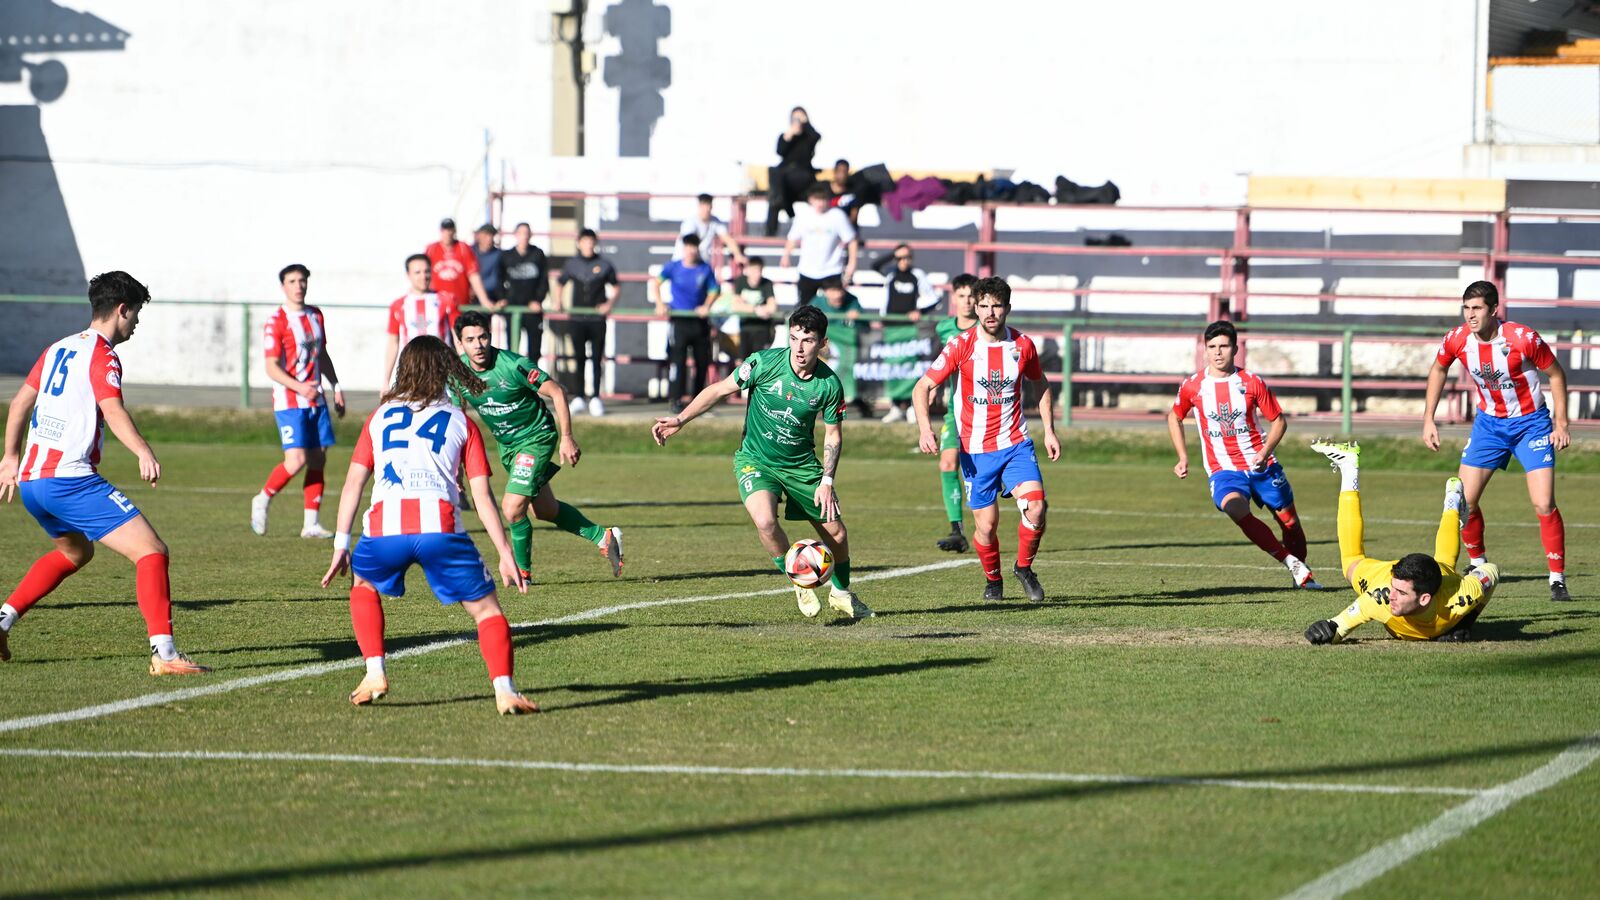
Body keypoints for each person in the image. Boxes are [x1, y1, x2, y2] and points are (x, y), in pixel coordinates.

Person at [0, 271, 208, 673]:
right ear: (121, 309)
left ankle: (3, 619)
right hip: (69, 480)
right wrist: (143, 451)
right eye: (135, 315)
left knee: (75, 551)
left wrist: (10, 457)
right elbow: (112, 409)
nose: (135, 324)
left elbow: (20, 403)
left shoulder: (57, 348)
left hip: (32, 482)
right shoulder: (103, 354)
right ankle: (165, 655)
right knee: (151, 551)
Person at [320, 335, 537, 714]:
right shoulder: (461, 421)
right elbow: (483, 497)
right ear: (446, 371)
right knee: (487, 612)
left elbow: (354, 483)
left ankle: (374, 672)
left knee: (363, 584)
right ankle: (504, 690)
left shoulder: (379, 417)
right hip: (440, 527)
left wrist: (341, 543)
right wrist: (505, 553)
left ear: (405, 369)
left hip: (384, 528)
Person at [651, 305, 872, 619]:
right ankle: (798, 579)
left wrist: (827, 482)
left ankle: (841, 593)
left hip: (801, 466)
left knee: (836, 533)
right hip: (756, 460)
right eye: (793, 338)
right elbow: (719, 389)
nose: (798, 347)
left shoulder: (829, 385)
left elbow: (833, 436)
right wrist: (681, 419)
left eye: (807, 340)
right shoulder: (764, 363)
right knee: (766, 522)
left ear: (822, 343)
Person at [912, 277, 1061, 602]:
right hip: (975, 450)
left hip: (1016, 443)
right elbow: (922, 386)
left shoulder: (1023, 345)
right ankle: (993, 580)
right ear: (975, 308)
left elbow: (1041, 383)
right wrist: (925, 428)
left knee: (1035, 508)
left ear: (1007, 308)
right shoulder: (960, 345)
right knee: (986, 527)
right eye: (984, 306)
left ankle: (1024, 567)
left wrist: (1049, 430)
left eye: (997, 305)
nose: (990, 312)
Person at [1422, 281, 1572, 601]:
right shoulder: (1458, 339)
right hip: (1489, 426)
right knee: (1464, 501)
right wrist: (1428, 419)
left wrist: (1561, 423)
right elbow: (1438, 369)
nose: (1470, 315)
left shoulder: (1522, 338)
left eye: (1477, 308)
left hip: (1531, 425)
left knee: (1543, 503)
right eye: (1466, 308)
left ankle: (1557, 578)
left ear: (1493, 310)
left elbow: (1556, 375)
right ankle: (1478, 564)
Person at [452, 310, 623, 582]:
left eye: (483, 337)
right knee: (544, 510)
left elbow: (556, 391)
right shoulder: (458, 372)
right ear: (459, 342)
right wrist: (456, 469)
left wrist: (566, 437)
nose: (478, 344)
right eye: (470, 339)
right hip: (508, 447)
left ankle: (522, 573)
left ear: (490, 335)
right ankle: (603, 536)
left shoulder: (513, 364)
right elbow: (456, 420)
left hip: (537, 438)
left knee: (512, 507)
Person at [1166, 320, 1319, 590]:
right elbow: (1174, 416)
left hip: (1262, 465)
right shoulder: (1193, 386)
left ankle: (1303, 575)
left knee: (1290, 523)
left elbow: (1279, 421)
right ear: (1205, 349)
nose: (1217, 352)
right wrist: (1183, 457)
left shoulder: (1250, 382)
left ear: (1235, 348)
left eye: (1224, 346)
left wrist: (1265, 451)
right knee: (1234, 508)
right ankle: (1291, 563)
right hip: (1223, 469)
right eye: (1212, 346)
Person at [1303, 439, 1500, 644]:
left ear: (1424, 599)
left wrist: (1466, 621)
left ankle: (1452, 501)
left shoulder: (1460, 598)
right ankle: (1349, 469)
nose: (1391, 596)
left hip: (1437, 577)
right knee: (1351, 563)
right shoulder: (1380, 595)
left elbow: (1491, 571)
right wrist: (1326, 630)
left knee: (1445, 564)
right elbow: (1338, 626)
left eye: (1400, 592)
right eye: (1394, 588)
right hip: (1384, 574)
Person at [251, 264, 346, 539]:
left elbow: (322, 355)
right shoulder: (276, 321)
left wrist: (336, 386)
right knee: (296, 460)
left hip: (316, 401)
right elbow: (271, 367)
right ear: (283, 286)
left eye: (302, 280)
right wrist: (299, 387)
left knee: (318, 459)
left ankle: (311, 524)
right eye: (292, 281)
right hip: (290, 401)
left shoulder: (316, 315)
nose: (298, 285)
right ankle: (263, 499)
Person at [931, 274, 979, 552]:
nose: (967, 301)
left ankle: (1029, 497)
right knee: (948, 464)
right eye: (961, 296)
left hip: (986, 411)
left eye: (972, 296)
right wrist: (934, 383)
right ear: (954, 298)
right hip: (956, 412)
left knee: (987, 473)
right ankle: (957, 530)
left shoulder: (985, 328)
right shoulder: (943, 328)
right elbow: (938, 360)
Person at [553, 228, 618, 417]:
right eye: (585, 241)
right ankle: (579, 397)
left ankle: (596, 397)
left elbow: (616, 286)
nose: (588, 245)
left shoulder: (604, 264)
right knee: (579, 358)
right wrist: (559, 302)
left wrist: (609, 304)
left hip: (597, 320)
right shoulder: (572, 264)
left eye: (591, 241)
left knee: (597, 358)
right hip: (577, 319)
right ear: (579, 243)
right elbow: (560, 283)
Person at [652, 233, 720, 414]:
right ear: (683, 248)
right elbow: (655, 283)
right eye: (688, 246)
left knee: (702, 362)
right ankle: (676, 400)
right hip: (679, 321)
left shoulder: (705, 269)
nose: (691, 250)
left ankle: (699, 402)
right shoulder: (673, 267)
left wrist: (706, 306)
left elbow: (714, 290)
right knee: (678, 362)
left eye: (694, 247)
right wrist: (660, 303)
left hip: (699, 322)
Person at [877, 243, 943, 424]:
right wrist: (893, 254)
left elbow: (936, 299)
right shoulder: (890, 273)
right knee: (892, 367)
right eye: (899, 258)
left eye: (906, 257)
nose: (903, 261)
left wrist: (920, 311)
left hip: (908, 329)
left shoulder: (917, 275)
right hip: (891, 327)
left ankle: (913, 406)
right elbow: (874, 265)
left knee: (910, 366)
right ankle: (896, 406)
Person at [382, 253, 459, 385]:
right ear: (408, 275)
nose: (423, 276)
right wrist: (386, 381)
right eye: (417, 272)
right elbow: (392, 343)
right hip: (411, 372)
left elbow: (458, 339)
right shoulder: (399, 305)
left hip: (442, 372)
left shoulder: (445, 300)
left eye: (427, 271)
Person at [780, 184, 858, 307]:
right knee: (805, 308)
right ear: (810, 200)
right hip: (807, 270)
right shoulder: (804, 216)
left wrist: (852, 263)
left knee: (835, 305)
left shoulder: (837, 216)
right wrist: (786, 255)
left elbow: (851, 239)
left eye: (823, 199)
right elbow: (793, 238)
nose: (820, 203)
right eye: (817, 199)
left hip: (831, 270)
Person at [765, 106, 821, 236]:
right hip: (785, 180)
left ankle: (786, 206)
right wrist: (789, 135)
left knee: (776, 190)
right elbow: (780, 151)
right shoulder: (786, 136)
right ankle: (770, 231)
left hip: (803, 176)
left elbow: (816, 137)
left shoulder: (808, 137)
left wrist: (806, 124)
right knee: (775, 188)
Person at [819, 277, 870, 419]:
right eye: (833, 291)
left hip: (850, 352)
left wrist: (858, 319)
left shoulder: (852, 301)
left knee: (853, 379)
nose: (838, 295)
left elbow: (866, 327)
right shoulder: (817, 303)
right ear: (826, 292)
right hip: (825, 354)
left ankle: (861, 405)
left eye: (840, 290)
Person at [504, 222, 550, 362]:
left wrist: (538, 300)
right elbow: (499, 278)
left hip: (533, 309)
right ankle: (513, 381)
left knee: (534, 351)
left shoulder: (538, 254)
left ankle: (533, 383)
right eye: (521, 233)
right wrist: (503, 298)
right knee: (512, 350)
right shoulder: (507, 256)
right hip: (513, 307)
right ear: (515, 235)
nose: (524, 237)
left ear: (530, 235)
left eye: (526, 233)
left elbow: (544, 280)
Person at [425, 218, 493, 311]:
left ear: (454, 231)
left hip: (460, 305)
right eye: (444, 230)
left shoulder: (463, 248)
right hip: (437, 305)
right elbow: (424, 275)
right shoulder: (432, 249)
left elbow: (473, 275)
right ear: (440, 231)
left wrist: (484, 300)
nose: (448, 233)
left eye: (450, 230)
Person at [673, 193, 747, 267]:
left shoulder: (715, 221)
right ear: (699, 206)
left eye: (709, 206)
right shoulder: (690, 223)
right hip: (684, 263)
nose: (707, 209)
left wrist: (737, 254)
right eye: (704, 205)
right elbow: (689, 243)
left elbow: (727, 238)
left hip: (700, 264)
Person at [727, 256, 779, 361]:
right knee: (742, 364)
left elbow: (772, 307)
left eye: (759, 271)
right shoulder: (740, 281)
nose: (757, 274)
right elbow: (735, 306)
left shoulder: (766, 283)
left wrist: (745, 306)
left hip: (762, 329)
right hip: (744, 328)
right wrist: (756, 309)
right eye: (754, 271)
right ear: (748, 270)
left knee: (759, 362)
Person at [472, 224, 510, 345]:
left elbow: (505, 277)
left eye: (492, 235)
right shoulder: (469, 252)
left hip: (494, 296)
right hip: (472, 298)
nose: (489, 238)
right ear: (478, 236)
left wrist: (504, 298)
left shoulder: (500, 255)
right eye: (486, 235)